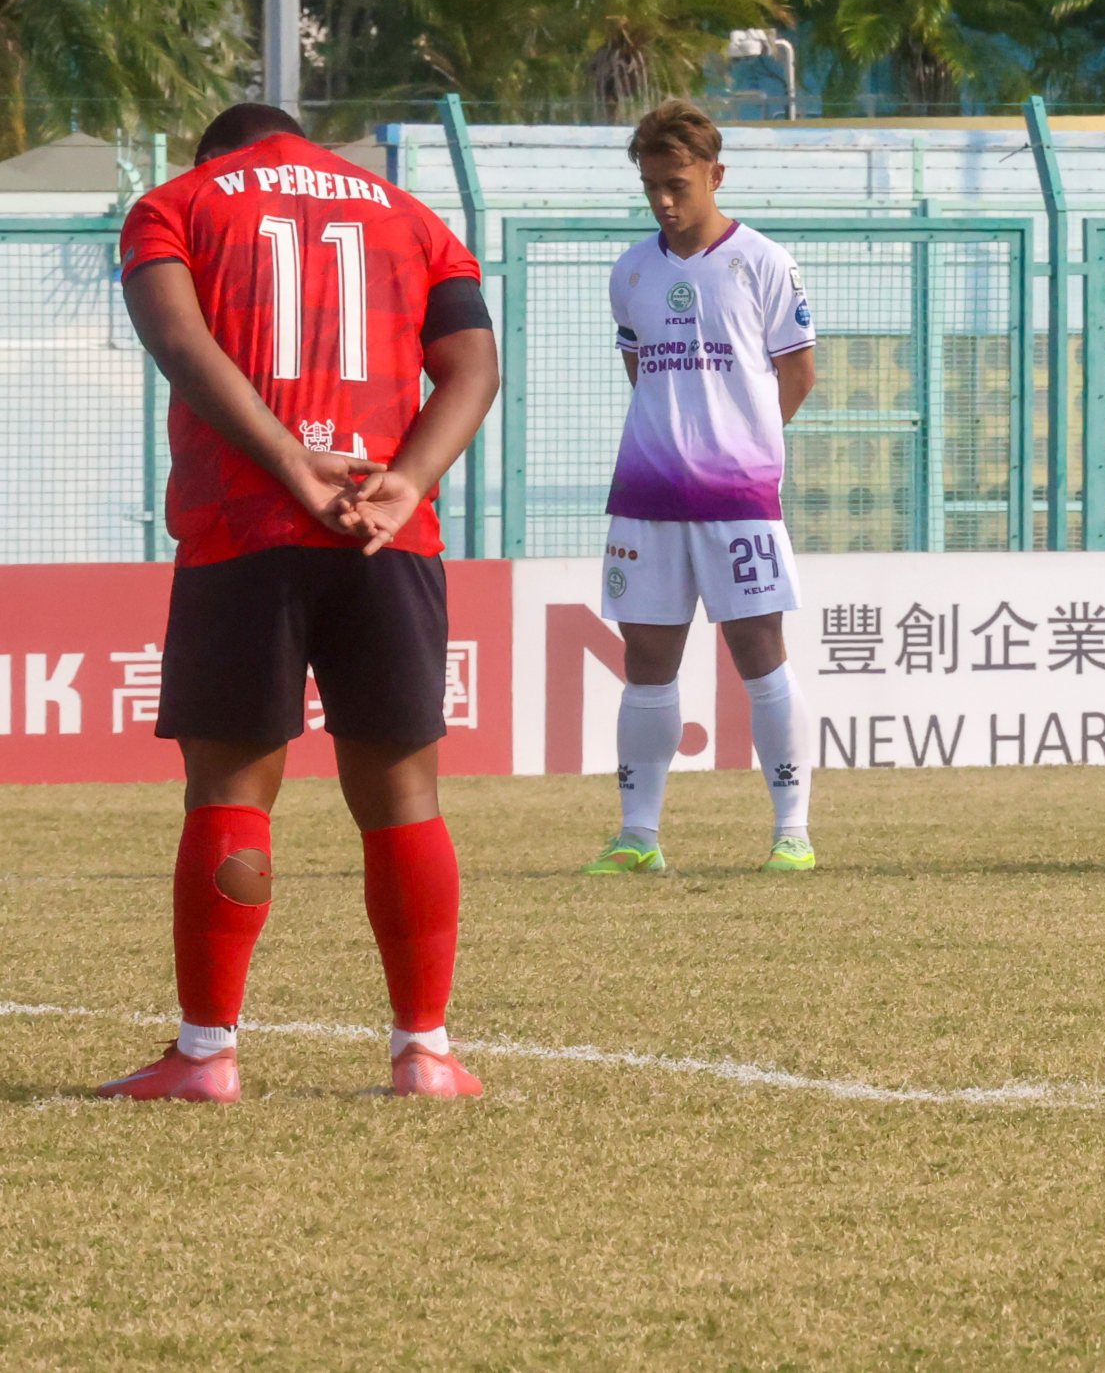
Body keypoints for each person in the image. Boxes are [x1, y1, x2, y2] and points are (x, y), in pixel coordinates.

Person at [95, 104, 501, 1104]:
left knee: (231, 790)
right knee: (404, 795)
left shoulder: (174, 204)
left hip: (247, 530)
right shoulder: (412, 212)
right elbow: (474, 367)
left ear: (214, 155)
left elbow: (182, 346)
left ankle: (204, 1055)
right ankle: (426, 1053)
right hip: (389, 532)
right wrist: (406, 478)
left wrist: (287, 463)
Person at [588, 101, 824, 877]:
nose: (663, 198)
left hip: (737, 500)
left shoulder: (763, 261)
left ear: (715, 175)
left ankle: (792, 830)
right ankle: (637, 835)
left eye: (678, 183)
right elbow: (638, 370)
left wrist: (744, 445)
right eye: (651, 184)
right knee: (647, 658)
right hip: (647, 499)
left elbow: (798, 373)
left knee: (758, 651)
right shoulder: (631, 269)